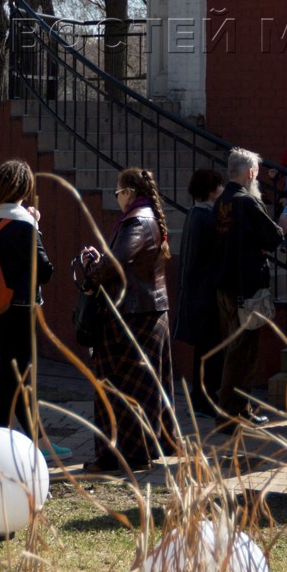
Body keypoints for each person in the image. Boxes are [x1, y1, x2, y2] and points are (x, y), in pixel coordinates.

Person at [82, 167, 175, 471]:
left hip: (133, 315)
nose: (117, 198)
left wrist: (91, 270)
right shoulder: (149, 217)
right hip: (147, 311)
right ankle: (152, 446)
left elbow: (116, 262)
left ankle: (121, 455)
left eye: (118, 192)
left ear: (130, 193)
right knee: (147, 386)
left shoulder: (137, 220)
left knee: (119, 386)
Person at [0, 160, 56, 441]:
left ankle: (36, 439)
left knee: (18, 375)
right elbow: (45, 271)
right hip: (21, 309)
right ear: (23, 188)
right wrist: (36, 226)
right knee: (15, 376)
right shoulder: (23, 225)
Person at [214, 148, 279, 425]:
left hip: (225, 284)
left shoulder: (221, 201)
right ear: (251, 173)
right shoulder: (247, 202)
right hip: (245, 287)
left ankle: (236, 408)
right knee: (244, 352)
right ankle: (232, 412)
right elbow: (274, 236)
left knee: (235, 349)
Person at [173, 166, 227, 418]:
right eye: (219, 185)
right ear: (210, 189)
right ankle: (204, 397)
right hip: (204, 295)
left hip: (196, 293)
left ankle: (202, 396)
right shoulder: (206, 218)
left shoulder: (195, 214)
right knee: (208, 350)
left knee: (203, 351)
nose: (222, 189)